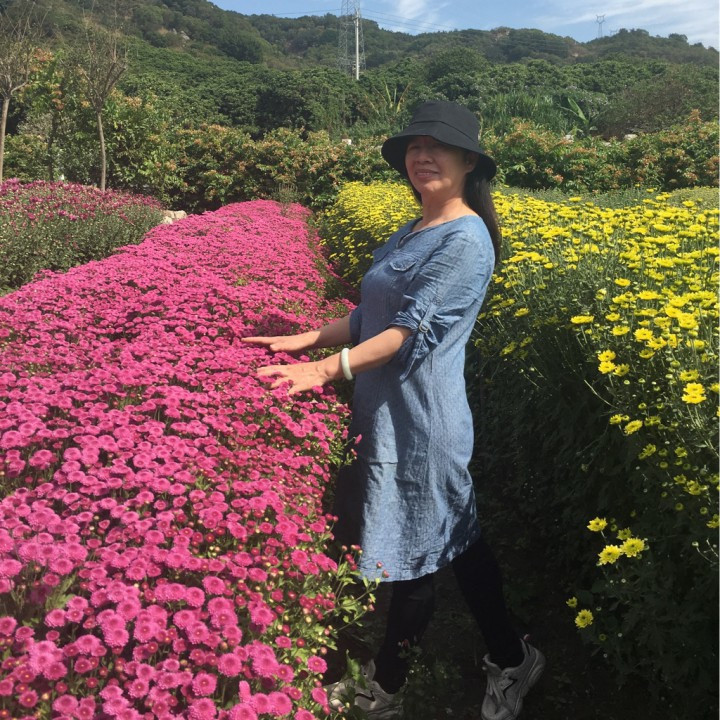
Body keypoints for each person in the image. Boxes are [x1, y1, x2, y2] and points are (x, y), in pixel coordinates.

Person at [242, 101, 544, 720]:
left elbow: (406, 333)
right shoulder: (411, 231)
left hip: (421, 423)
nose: (422, 156)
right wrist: (306, 339)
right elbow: (368, 317)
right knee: (457, 538)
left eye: (437, 146)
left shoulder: (464, 240)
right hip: (386, 414)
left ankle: (384, 689)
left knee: (411, 558)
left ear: (469, 162)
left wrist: (324, 370)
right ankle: (513, 657)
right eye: (413, 146)